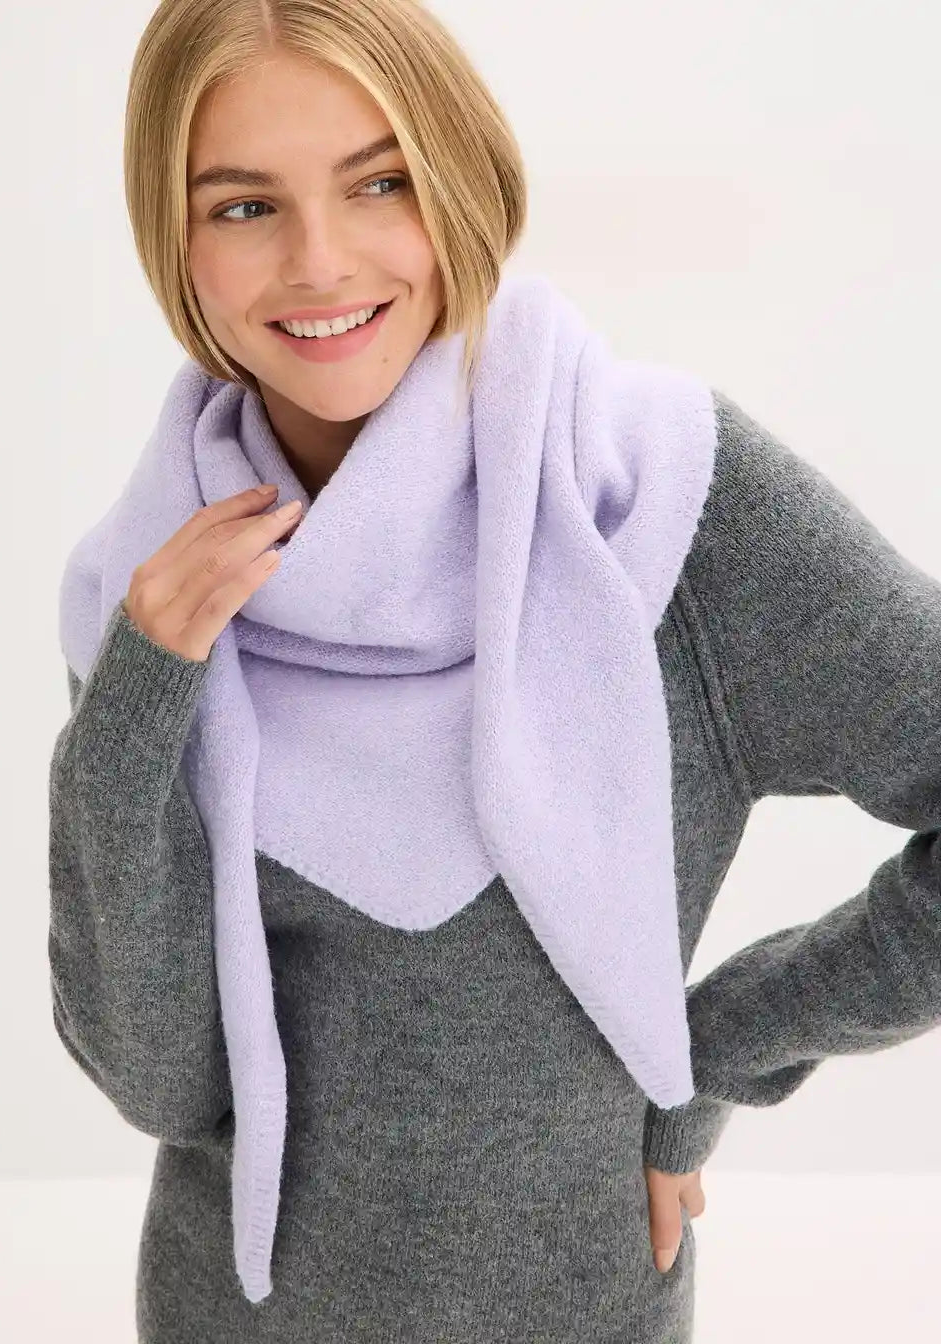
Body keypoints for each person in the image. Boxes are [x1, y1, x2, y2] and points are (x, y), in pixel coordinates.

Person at [48, 2, 941, 1341]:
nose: (318, 260)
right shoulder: (159, 578)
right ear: (174, 242)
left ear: (462, 178)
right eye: (243, 207)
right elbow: (159, 1088)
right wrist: (139, 698)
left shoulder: (657, 499)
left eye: (380, 183)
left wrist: (719, 1050)